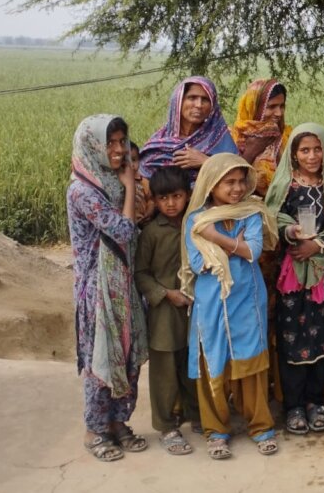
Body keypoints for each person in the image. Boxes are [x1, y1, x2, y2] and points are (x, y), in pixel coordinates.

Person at [180, 153, 279, 460]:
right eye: (229, 182)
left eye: (241, 182)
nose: (237, 189)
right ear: (211, 185)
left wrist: (215, 239)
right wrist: (233, 243)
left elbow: (254, 251)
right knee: (214, 362)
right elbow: (198, 264)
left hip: (248, 300)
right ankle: (216, 432)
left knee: (251, 363)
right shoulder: (194, 219)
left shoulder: (250, 212)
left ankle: (261, 428)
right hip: (212, 303)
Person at [67, 114, 149, 462]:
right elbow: (124, 230)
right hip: (97, 289)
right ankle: (95, 430)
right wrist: (131, 185)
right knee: (101, 358)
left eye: (121, 142)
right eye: (110, 143)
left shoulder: (109, 182)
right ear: (92, 146)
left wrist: (127, 186)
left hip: (124, 282)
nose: (117, 150)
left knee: (126, 355)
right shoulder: (83, 190)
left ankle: (118, 423)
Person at [264, 124, 324, 436]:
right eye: (305, 150)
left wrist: (318, 244)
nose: (312, 156)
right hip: (292, 275)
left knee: (323, 335)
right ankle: (294, 406)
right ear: (294, 154)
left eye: (317, 149)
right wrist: (290, 232)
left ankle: (317, 402)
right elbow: (271, 216)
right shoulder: (286, 186)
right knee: (292, 336)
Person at [133, 166, 199, 455]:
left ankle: (196, 415)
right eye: (163, 198)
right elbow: (141, 273)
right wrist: (165, 294)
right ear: (155, 201)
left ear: (187, 196)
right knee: (164, 371)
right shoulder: (151, 233)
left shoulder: (196, 226)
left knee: (192, 365)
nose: (170, 203)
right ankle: (166, 425)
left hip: (195, 308)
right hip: (163, 312)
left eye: (176, 196)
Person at [139, 77, 238, 184]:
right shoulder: (159, 141)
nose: (199, 105)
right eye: (192, 98)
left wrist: (206, 162)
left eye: (205, 99)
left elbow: (238, 173)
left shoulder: (220, 138)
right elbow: (143, 172)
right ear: (178, 102)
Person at [230, 78, 291, 197]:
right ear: (254, 106)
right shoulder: (233, 137)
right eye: (271, 107)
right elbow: (227, 179)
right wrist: (252, 151)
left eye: (281, 106)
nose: (279, 113)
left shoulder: (288, 136)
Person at [129, 141, 154, 224]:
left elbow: (151, 200)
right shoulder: (115, 183)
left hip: (143, 221)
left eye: (134, 160)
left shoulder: (143, 182)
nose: (131, 165)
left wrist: (149, 211)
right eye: (126, 161)